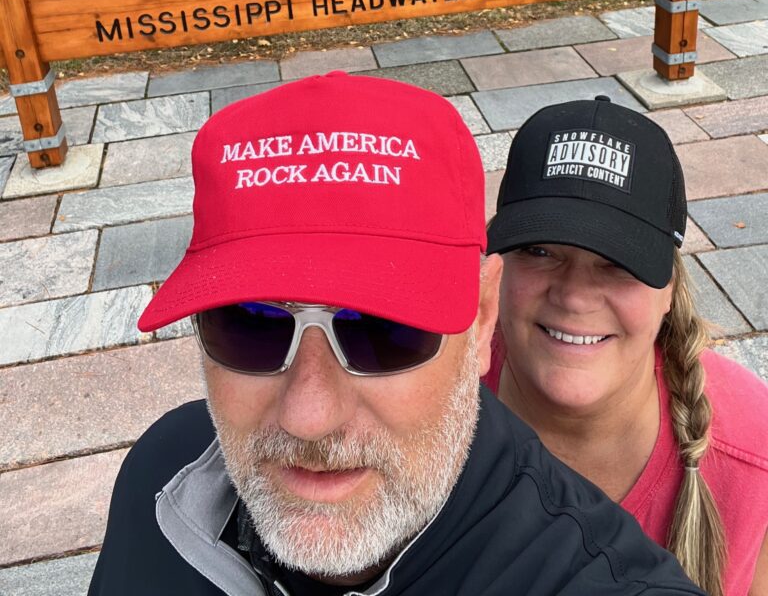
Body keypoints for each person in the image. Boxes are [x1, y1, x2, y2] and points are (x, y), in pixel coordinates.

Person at [89, 73, 705, 596]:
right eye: (249, 323)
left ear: (483, 312)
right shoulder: (161, 479)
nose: (309, 415)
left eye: (382, 331)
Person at [483, 96, 768, 596]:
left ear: (670, 292)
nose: (573, 296)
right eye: (540, 250)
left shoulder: (752, 455)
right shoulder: (421, 391)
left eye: (617, 262)